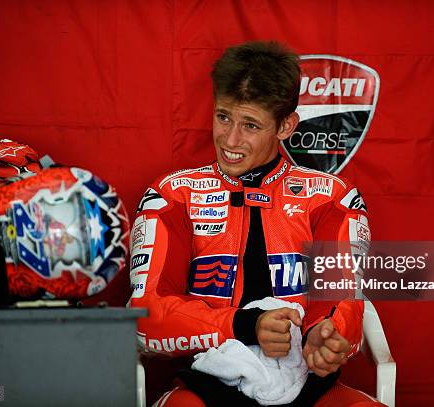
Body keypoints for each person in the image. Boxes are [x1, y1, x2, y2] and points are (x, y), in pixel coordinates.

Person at [129, 41, 382, 407]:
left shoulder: (331, 198)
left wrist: (325, 336)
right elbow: (145, 315)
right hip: (207, 383)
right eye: (223, 117)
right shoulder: (173, 195)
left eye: (250, 124)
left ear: (285, 126)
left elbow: (340, 301)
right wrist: (246, 326)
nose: (230, 140)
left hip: (308, 383)